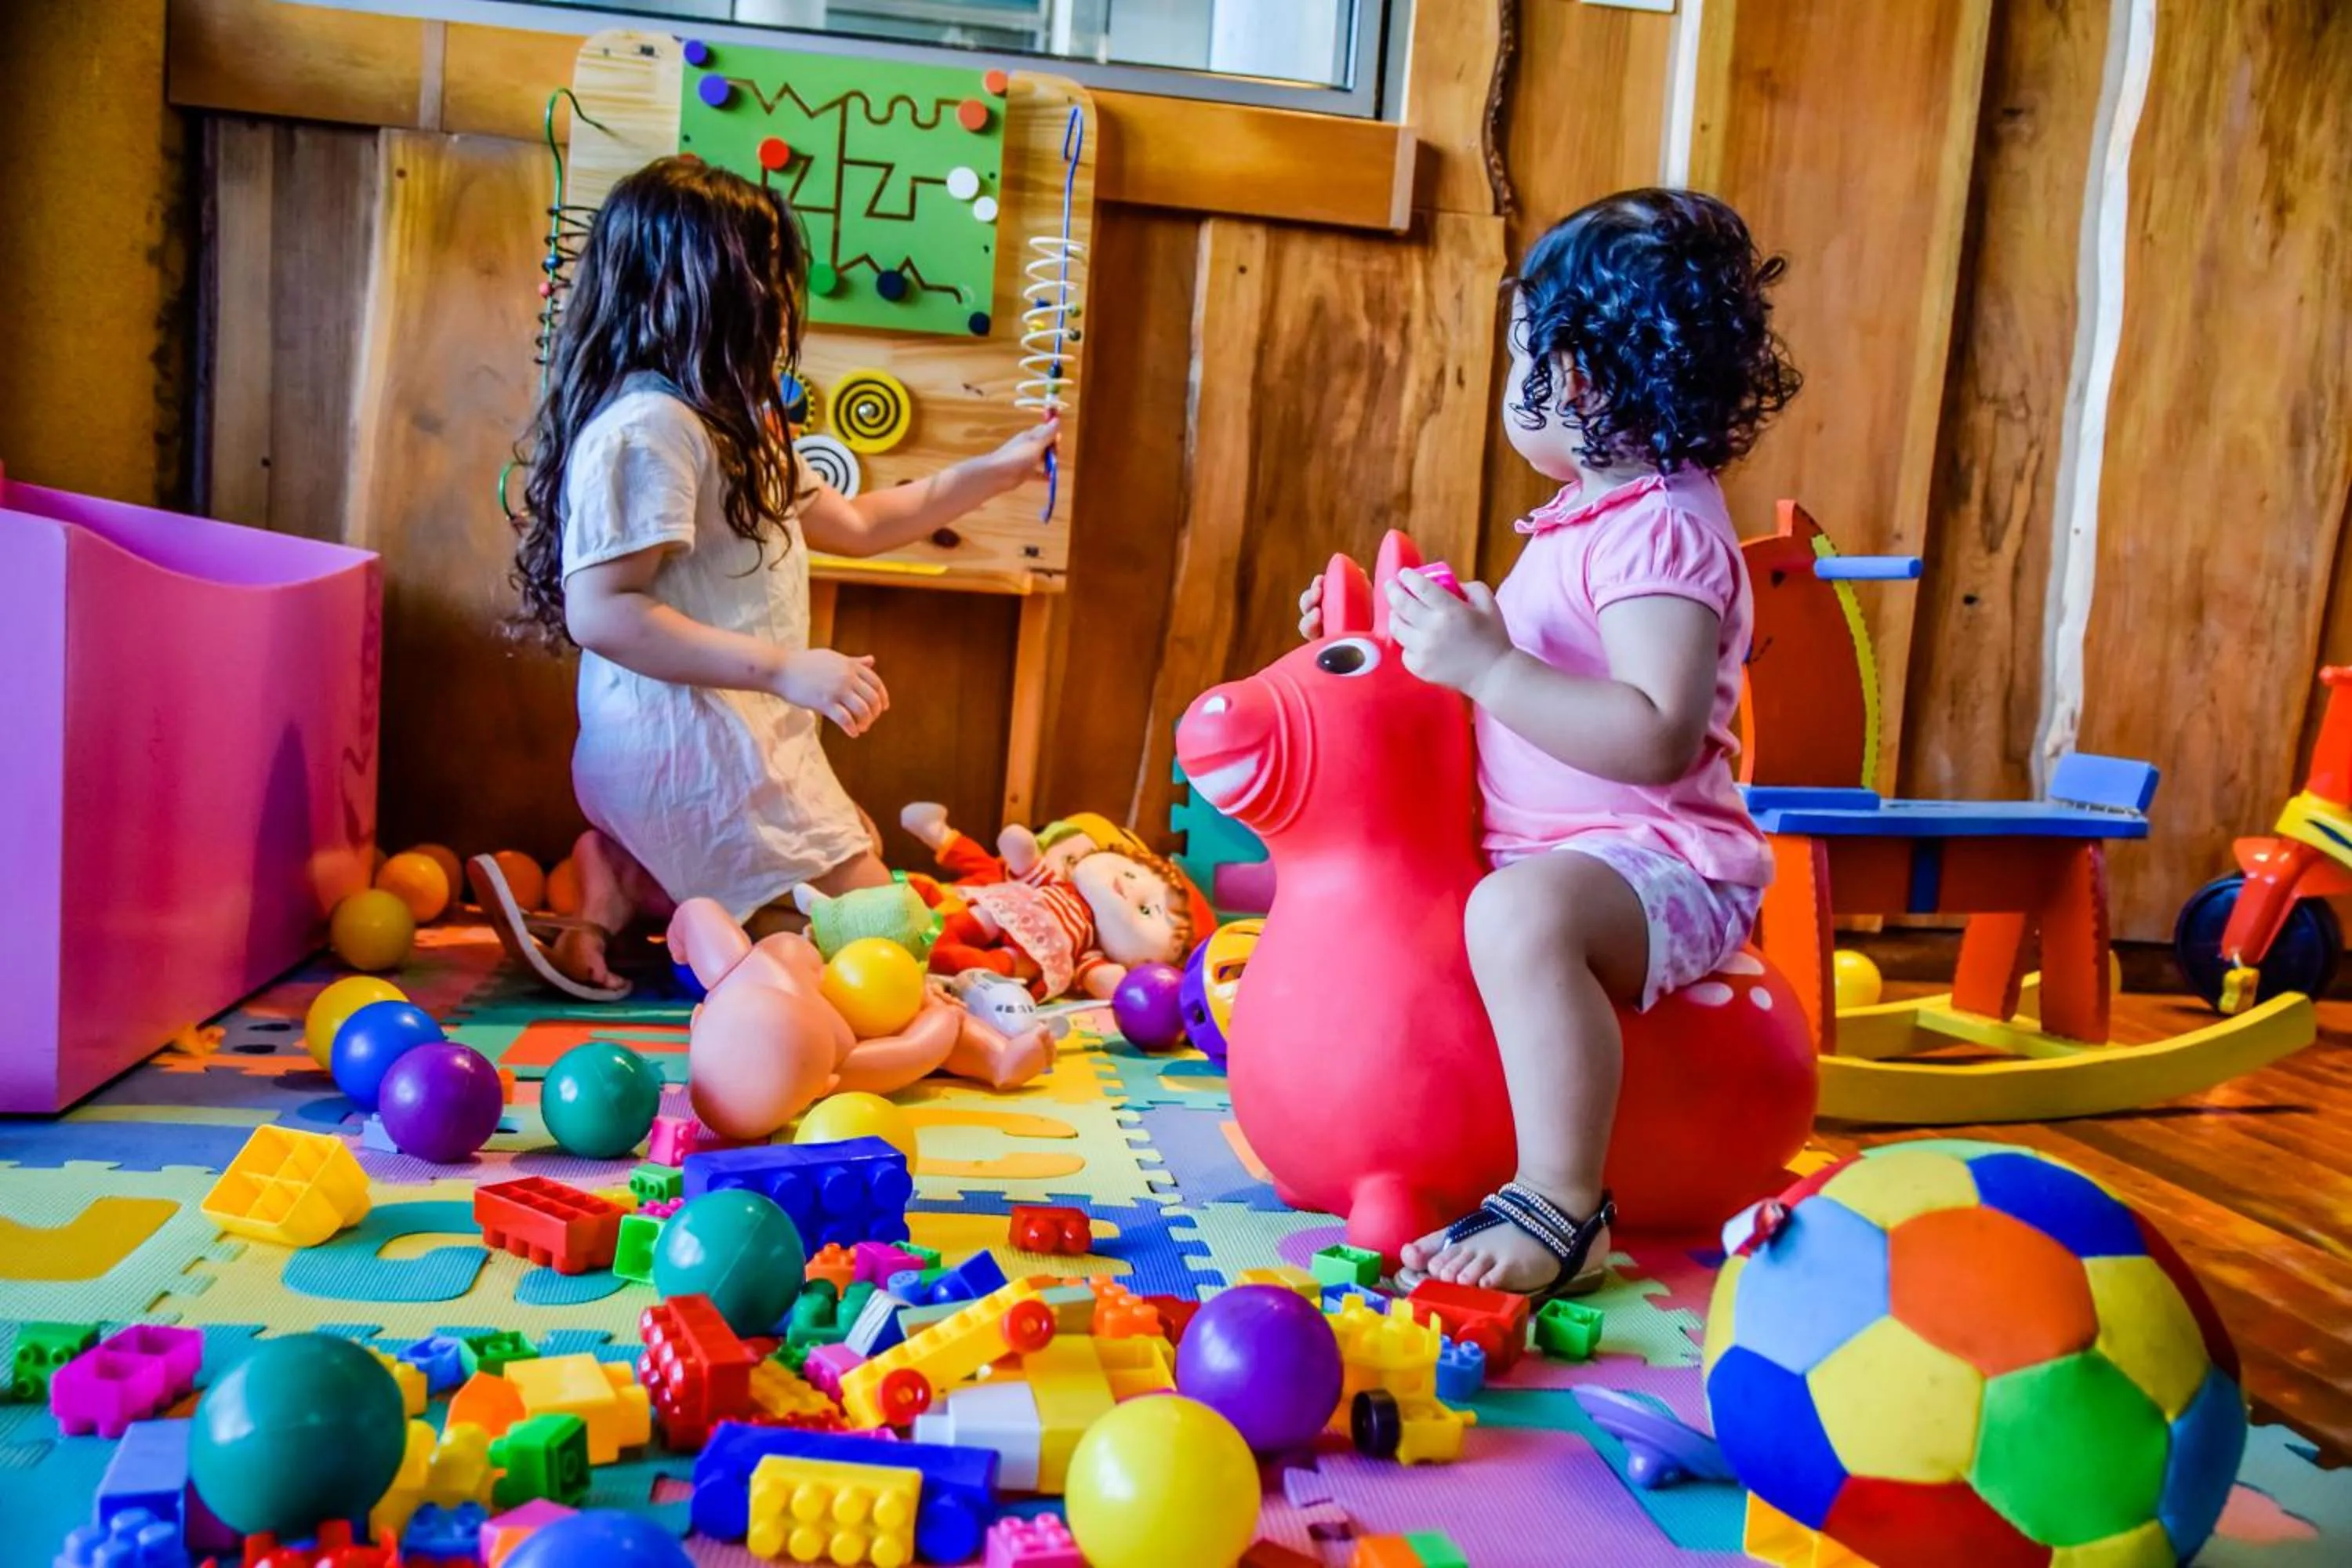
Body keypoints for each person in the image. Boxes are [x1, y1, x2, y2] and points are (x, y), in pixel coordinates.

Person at [1301, 189, 1800, 1297]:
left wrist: (1488, 667)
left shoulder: (1662, 529)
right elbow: (1525, 675)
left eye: (1524, 350)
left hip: (1658, 864)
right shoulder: (1593, 517)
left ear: (1574, 376)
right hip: (1556, 846)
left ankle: (1564, 1204)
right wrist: (1405, 637)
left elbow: (1658, 733)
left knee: (1516, 916)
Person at [507, 155, 1054, 992]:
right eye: (760, 275)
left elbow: (863, 523)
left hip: (738, 738)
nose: (778, 300)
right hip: (683, 749)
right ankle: (654, 888)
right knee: (879, 942)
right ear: (696, 289)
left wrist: (1000, 469)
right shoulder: (651, 426)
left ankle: (622, 875)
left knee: (864, 900)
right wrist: (787, 667)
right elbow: (602, 611)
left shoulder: (727, 424)